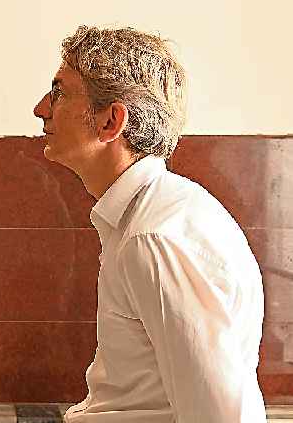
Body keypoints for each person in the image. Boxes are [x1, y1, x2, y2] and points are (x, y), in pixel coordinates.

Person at [32, 26, 266, 422]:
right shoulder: (148, 217)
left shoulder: (155, 237)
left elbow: (222, 417)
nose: (41, 108)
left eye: (59, 92)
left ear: (110, 122)